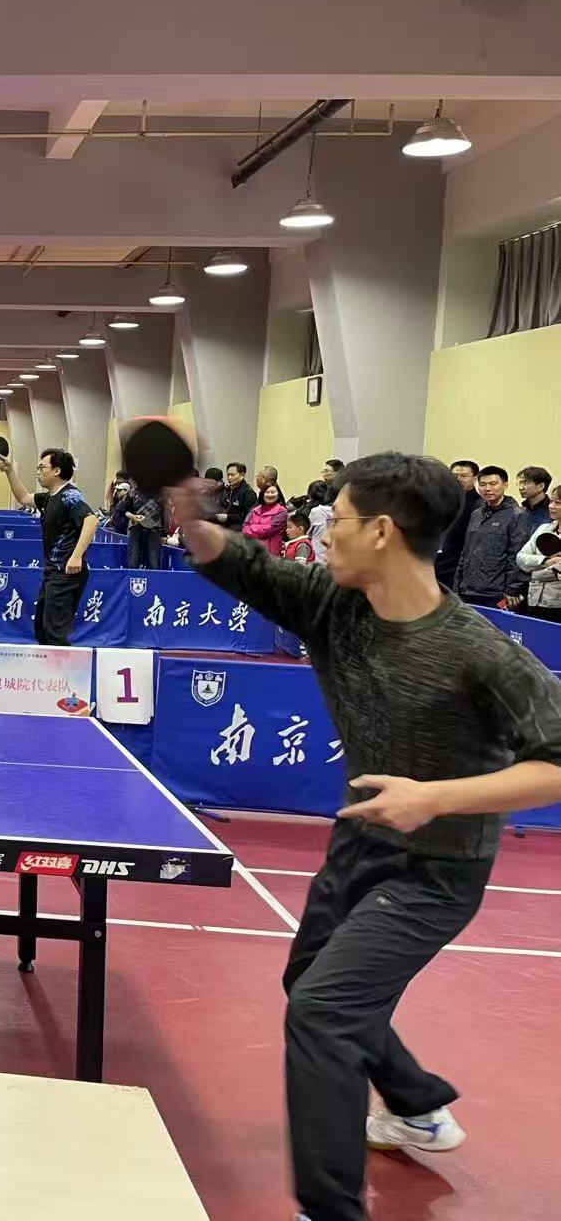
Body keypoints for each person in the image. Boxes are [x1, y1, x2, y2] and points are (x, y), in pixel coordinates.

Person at [173, 451, 561, 1221]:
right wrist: (186, 508)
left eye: (339, 521)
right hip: (359, 845)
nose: (324, 536)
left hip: (437, 869)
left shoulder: (477, 650)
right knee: (312, 984)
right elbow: (237, 559)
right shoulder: (333, 603)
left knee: (322, 1009)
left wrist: (436, 796)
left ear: (382, 531)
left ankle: (329, 1208)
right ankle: (415, 1102)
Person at [0, 447, 100, 646]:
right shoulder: (49, 497)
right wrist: (9, 470)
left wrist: (76, 556)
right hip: (53, 572)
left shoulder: (70, 495)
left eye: (42, 467)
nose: (38, 472)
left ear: (57, 471)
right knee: (42, 630)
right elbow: (23, 497)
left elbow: (91, 520)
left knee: (54, 633)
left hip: (67, 573)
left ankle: (64, 666)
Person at [454, 466, 526, 608]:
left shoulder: (517, 514)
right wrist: (457, 586)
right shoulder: (476, 514)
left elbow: (516, 554)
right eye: (482, 484)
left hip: (496, 592)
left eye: (493, 484)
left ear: (505, 485)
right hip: (467, 589)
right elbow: (466, 552)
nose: (487, 489)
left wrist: (512, 588)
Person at [433, 459, 481, 589]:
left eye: (464, 476)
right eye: (454, 476)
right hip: (434, 562)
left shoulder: (479, 505)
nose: (458, 479)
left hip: (457, 566)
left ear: (475, 478)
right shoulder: (440, 500)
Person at [516, 488, 561, 621]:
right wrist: (546, 561)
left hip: (557, 604)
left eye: (558, 503)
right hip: (534, 600)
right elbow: (521, 557)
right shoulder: (543, 528)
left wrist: (534, 574)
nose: (551, 506)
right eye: (551, 501)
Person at [124, 483, 165, 569]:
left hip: (154, 531)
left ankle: (154, 577)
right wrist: (132, 516)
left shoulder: (161, 494)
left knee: (154, 563)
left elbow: (165, 514)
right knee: (133, 561)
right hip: (136, 529)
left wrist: (165, 533)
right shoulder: (133, 492)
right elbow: (123, 510)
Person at [242, 482, 289, 556]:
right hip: (251, 550)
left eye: (273, 492)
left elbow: (269, 530)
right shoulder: (255, 510)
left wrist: (252, 527)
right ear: (262, 494)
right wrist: (257, 528)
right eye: (267, 492)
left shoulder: (282, 511)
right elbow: (245, 527)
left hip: (270, 553)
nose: (270, 495)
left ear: (278, 494)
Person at [215, 461, 256, 530]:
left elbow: (247, 516)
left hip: (239, 526)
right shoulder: (228, 490)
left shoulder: (248, 493)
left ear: (242, 475)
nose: (229, 478)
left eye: (232, 475)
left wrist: (228, 517)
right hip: (226, 522)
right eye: (228, 475)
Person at [305, 479, 337, 564]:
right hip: (334, 551)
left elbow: (307, 532)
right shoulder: (337, 510)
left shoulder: (315, 511)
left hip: (317, 551)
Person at [516, 465, 552, 537]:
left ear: (541, 486)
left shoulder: (553, 512)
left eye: (525, 483)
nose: (521, 487)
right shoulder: (518, 512)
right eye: (520, 483)